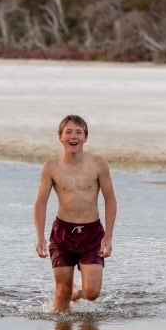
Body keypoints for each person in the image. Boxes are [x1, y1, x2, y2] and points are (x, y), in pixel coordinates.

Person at [33, 115, 117, 312]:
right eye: (68, 132)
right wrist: (40, 237)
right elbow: (41, 202)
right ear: (60, 137)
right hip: (62, 233)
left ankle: (77, 292)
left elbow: (110, 199)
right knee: (62, 292)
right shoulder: (51, 166)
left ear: (85, 137)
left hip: (91, 233)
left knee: (92, 293)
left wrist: (108, 236)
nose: (74, 136)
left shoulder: (98, 164)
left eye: (79, 132)